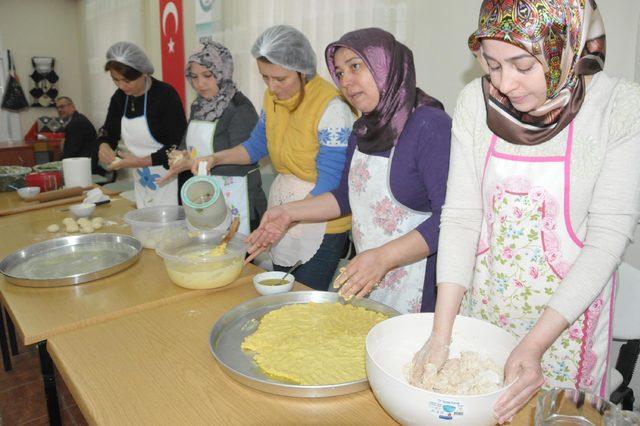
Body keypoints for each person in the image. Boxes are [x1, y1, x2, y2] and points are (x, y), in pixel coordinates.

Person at [410, 0, 640, 423]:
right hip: (484, 314)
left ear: (567, 45)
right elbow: (461, 217)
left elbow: (606, 239)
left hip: (566, 327)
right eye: (492, 64)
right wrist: (442, 334)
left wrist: (534, 344)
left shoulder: (618, 107)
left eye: (522, 64)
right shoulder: (474, 104)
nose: (505, 84)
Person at [245, 28, 451, 314]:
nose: (346, 81)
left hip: (419, 284)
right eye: (340, 73)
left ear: (385, 64)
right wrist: (290, 212)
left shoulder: (430, 125)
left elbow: (451, 220)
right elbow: (344, 196)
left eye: (355, 66)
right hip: (370, 273)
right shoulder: (363, 129)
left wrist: (384, 257)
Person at [190, 25, 355, 291]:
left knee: (303, 298)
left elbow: (331, 181)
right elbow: (255, 146)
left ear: (303, 70)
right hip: (284, 207)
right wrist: (215, 158)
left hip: (323, 219)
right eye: (265, 78)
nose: (272, 86)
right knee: (282, 292)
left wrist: (288, 217)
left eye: (280, 78)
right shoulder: (273, 99)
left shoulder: (331, 107)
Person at [157, 39, 266, 233]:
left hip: (239, 201)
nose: (200, 84)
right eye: (194, 77)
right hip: (204, 198)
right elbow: (186, 144)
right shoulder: (198, 106)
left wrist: (192, 164)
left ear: (222, 71)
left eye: (207, 75)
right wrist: (179, 156)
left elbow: (244, 158)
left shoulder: (240, 108)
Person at [97, 41, 187, 208]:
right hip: (141, 178)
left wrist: (139, 161)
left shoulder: (165, 95)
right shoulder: (120, 97)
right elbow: (109, 130)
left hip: (170, 177)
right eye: (115, 80)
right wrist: (104, 145)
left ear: (143, 73)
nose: (121, 86)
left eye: (127, 80)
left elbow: (178, 145)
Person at [55, 96, 100, 174]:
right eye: (58, 108)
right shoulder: (77, 119)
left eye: (62, 107)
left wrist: (57, 166)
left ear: (72, 106)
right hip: (83, 163)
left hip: (85, 167)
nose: (59, 110)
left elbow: (70, 151)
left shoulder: (76, 122)